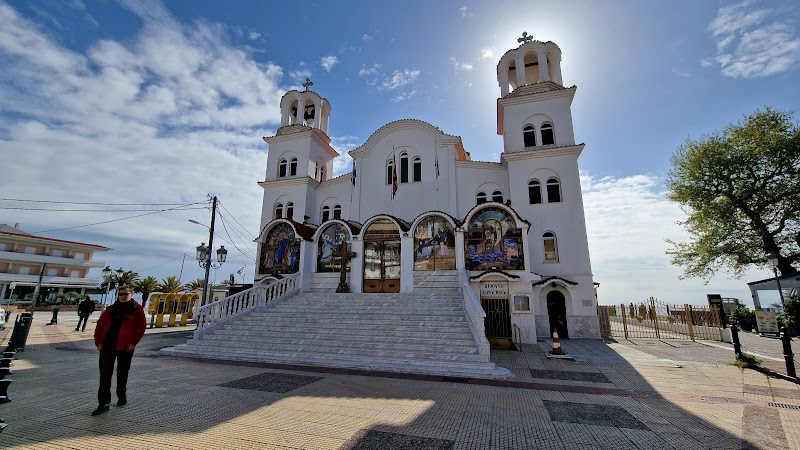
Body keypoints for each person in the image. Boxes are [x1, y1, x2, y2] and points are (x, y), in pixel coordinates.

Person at [91, 284, 146, 416]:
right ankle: (103, 403)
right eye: (120, 294)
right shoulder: (111, 309)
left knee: (122, 373)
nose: (122, 296)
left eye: (125, 294)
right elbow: (100, 326)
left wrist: (133, 343)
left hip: (126, 347)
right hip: (107, 345)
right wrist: (98, 342)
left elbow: (141, 327)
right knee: (105, 375)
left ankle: (121, 396)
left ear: (131, 294)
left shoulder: (137, 309)